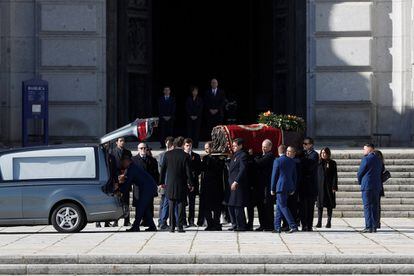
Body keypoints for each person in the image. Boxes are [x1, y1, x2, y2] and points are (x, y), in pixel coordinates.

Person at [160, 137, 194, 233]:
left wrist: (161, 182)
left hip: (170, 184)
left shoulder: (167, 154)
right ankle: (180, 226)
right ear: (183, 144)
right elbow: (188, 172)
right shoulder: (185, 155)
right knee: (180, 205)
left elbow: (163, 170)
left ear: (173, 145)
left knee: (171, 204)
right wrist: (191, 183)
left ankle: (171, 227)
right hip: (181, 183)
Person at [117, 150, 158, 232]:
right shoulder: (132, 167)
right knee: (145, 208)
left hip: (148, 188)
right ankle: (152, 226)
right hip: (147, 188)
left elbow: (128, 183)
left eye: (123, 162)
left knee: (140, 207)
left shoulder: (131, 169)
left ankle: (136, 226)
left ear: (127, 161)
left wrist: (120, 190)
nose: (122, 164)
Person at [271, 145, 298, 233]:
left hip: (280, 186)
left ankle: (293, 225)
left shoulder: (277, 161)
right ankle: (277, 227)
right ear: (285, 151)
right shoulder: (291, 161)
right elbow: (295, 176)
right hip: (289, 186)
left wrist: (272, 188)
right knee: (279, 207)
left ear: (278, 151)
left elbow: (274, 175)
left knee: (282, 206)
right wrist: (293, 187)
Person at [249, 139, 275, 231]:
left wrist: (253, 156)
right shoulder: (260, 155)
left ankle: (269, 225)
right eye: (262, 146)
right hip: (260, 185)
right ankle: (262, 224)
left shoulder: (270, 155)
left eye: (265, 147)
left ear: (270, 147)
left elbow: (259, 163)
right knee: (260, 206)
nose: (263, 148)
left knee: (267, 206)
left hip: (267, 185)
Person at [132, 142, 160, 227]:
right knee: (139, 205)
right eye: (141, 148)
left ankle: (148, 222)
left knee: (149, 205)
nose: (143, 150)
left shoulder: (152, 160)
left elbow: (156, 174)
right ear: (138, 149)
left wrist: (157, 183)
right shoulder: (133, 160)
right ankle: (138, 221)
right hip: (138, 187)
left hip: (148, 187)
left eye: (145, 148)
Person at [200, 141, 225, 231]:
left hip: (217, 186)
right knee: (206, 207)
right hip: (206, 186)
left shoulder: (219, 158)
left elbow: (220, 169)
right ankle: (210, 223)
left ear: (212, 148)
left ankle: (216, 223)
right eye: (205, 148)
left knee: (217, 207)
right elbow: (201, 168)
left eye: (207, 148)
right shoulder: (205, 158)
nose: (206, 150)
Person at [357, 143, 382, 233]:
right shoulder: (378, 159)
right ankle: (374, 226)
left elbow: (360, 173)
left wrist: (360, 182)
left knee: (367, 206)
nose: (363, 150)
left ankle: (368, 226)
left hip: (367, 186)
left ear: (370, 149)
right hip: (376, 186)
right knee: (375, 206)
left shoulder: (366, 159)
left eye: (365, 149)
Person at [226, 138, 249, 231]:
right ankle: (234, 223)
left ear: (240, 146)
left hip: (237, 184)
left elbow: (242, 169)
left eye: (235, 146)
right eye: (233, 145)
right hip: (231, 184)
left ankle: (241, 225)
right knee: (230, 205)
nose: (233, 147)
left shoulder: (243, 155)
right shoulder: (235, 155)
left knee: (237, 205)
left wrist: (236, 181)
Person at [299, 137, 319, 231]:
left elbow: (310, 166)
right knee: (302, 207)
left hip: (311, 185)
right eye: (303, 143)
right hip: (302, 185)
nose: (304, 145)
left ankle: (309, 225)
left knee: (310, 207)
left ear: (311, 145)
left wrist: (302, 162)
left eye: (306, 144)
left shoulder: (314, 155)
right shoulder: (302, 154)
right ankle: (304, 225)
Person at [96, 143, 118, 228]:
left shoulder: (111, 157)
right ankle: (98, 222)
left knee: (107, 202)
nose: (106, 146)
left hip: (109, 183)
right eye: (105, 144)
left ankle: (106, 221)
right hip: (100, 183)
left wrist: (116, 182)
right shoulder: (98, 158)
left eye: (107, 144)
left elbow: (115, 171)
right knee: (99, 202)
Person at [315, 147, 338, 228]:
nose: (323, 154)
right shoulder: (318, 162)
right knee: (319, 205)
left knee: (329, 205)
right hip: (320, 187)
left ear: (328, 154)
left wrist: (334, 186)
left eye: (325, 153)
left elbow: (335, 176)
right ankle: (319, 222)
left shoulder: (332, 163)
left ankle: (329, 222)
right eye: (322, 153)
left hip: (329, 186)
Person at [112, 137, 132, 227]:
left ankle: (126, 220)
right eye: (120, 141)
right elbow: (110, 166)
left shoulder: (128, 152)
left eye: (123, 141)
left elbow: (130, 165)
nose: (122, 142)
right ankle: (115, 220)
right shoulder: (112, 152)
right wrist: (117, 176)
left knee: (126, 201)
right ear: (116, 142)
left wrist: (125, 175)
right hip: (116, 179)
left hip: (125, 178)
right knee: (117, 200)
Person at [183, 138, 202, 227]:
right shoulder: (181, 155)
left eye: (190, 145)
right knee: (182, 203)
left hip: (193, 183)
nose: (189, 147)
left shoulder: (196, 156)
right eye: (187, 145)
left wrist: (193, 174)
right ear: (184, 146)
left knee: (192, 203)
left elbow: (199, 169)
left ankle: (191, 221)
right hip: (183, 183)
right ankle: (183, 221)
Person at [157, 137, 175, 230]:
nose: (169, 146)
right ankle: (162, 221)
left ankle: (164, 221)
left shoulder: (173, 155)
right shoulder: (162, 155)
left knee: (167, 203)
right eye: (167, 144)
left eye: (170, 144)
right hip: (165, 183)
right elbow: (161, 170)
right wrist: (161, 183)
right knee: (164, 203)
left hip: (171, 183)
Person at [373, 149, 386, 229]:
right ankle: (377, 222)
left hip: (375, 186)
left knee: (374, 205)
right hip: (379, 187)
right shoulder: (381, 164)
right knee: (378, 205)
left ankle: (375, 222)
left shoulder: (377, 165)